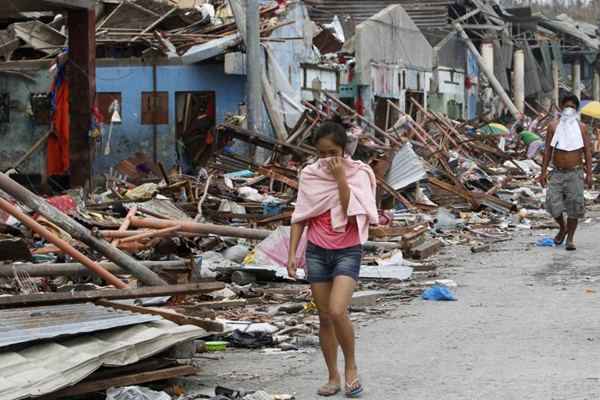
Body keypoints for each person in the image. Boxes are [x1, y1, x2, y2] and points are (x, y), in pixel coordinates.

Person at [287, 120, 378, 398]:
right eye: (322, 154)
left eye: (333, 153)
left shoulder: (358, 173)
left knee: (338, 311)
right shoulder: (310, 175)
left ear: (344, 149)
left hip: (347, 250)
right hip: (316, 251)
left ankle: (351, 368)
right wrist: (293, 253)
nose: (328, 160)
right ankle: (332, 376)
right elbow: (301, 215)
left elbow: (353, 212)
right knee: (324, 317)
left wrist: (340, 178)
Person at [540, 93, 593, 250]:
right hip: (557, 172)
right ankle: (562, 228)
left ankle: (570, 238)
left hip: (575, 172)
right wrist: (543, 172)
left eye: (572, 106)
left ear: (576, 109)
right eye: (566, 106)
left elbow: (587, 152)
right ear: (561, 108)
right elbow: (548, 151)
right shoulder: (553, 126)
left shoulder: (582, 128)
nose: (569, 109)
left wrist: (589, 174)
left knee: (574, 206)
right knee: (552, 203)